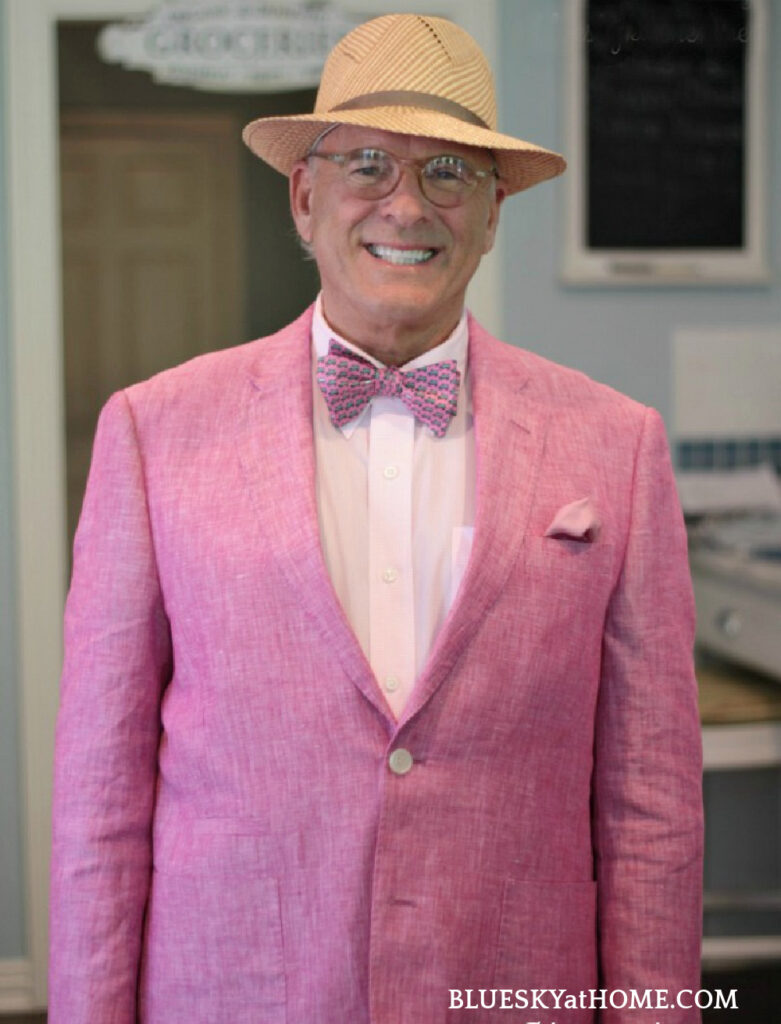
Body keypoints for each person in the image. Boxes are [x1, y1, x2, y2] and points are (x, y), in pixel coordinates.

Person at [49, 13, 703, 1024]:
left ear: (492, 216)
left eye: (450, 172)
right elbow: (100, 797)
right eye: (366, 165)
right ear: (305, 199)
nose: (408, 204)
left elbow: (650, 805)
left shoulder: (614, 446)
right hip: (235, 991)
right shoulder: (154, 433)